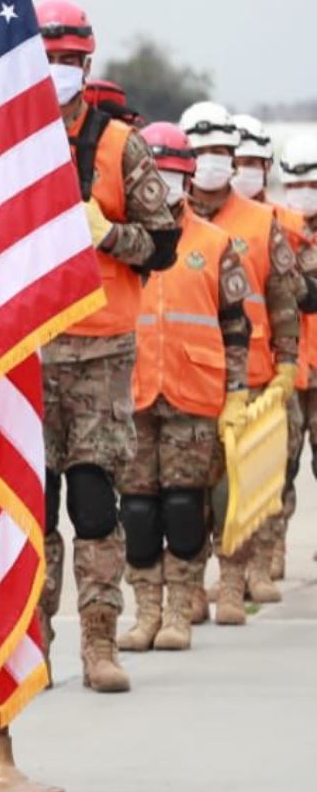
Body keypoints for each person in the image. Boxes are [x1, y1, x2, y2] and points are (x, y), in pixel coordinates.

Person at [31, 0, 179, 692]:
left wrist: (110, 234)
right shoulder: (3, 141)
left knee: (92, 504)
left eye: (68, 60)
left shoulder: (122, 145)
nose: (57, 70)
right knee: (30, 504)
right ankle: (32, 646)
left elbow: (166, 245)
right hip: (26, 352)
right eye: (45, 57)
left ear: (86, 64)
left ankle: (98, 644)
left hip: (99, 352)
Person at [117, 123, 249, 653]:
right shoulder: (123, 239)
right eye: (154, 173)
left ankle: (178, 611)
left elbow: (236, 326)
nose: (162, 185)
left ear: (188, 178)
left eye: (171, 174)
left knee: (183, 507)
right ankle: (145, 611)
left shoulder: (215, 245)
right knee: (138, 510)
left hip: (194, 396)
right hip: (132, 394)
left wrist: (236, 393)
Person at [181, 101, 301, 616]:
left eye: (220, 153)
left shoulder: (261, 221)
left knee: (237, 490)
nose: (211, 161)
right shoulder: (166, 222)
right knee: (185, 493)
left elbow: (282, 299)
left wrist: (287, 363)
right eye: (201, 152)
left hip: (247, 377)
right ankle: (187, 588)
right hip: (183, 381)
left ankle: (232, 582)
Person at [233, 112, 307, 586]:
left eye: (254, 162)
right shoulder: (205, 224)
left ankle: (269, 549)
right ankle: (260, 554)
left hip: (288, 361)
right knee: (265, 466)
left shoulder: (285, 223)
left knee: (286, 461)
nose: (244, 170)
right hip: (259, 365)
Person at [277, 129, 317, 570]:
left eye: (311, 185)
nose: (302, 195)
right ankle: (273, 550)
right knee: (280, 464)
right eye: (295, 185)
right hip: (287, 365)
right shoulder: (276, 229)